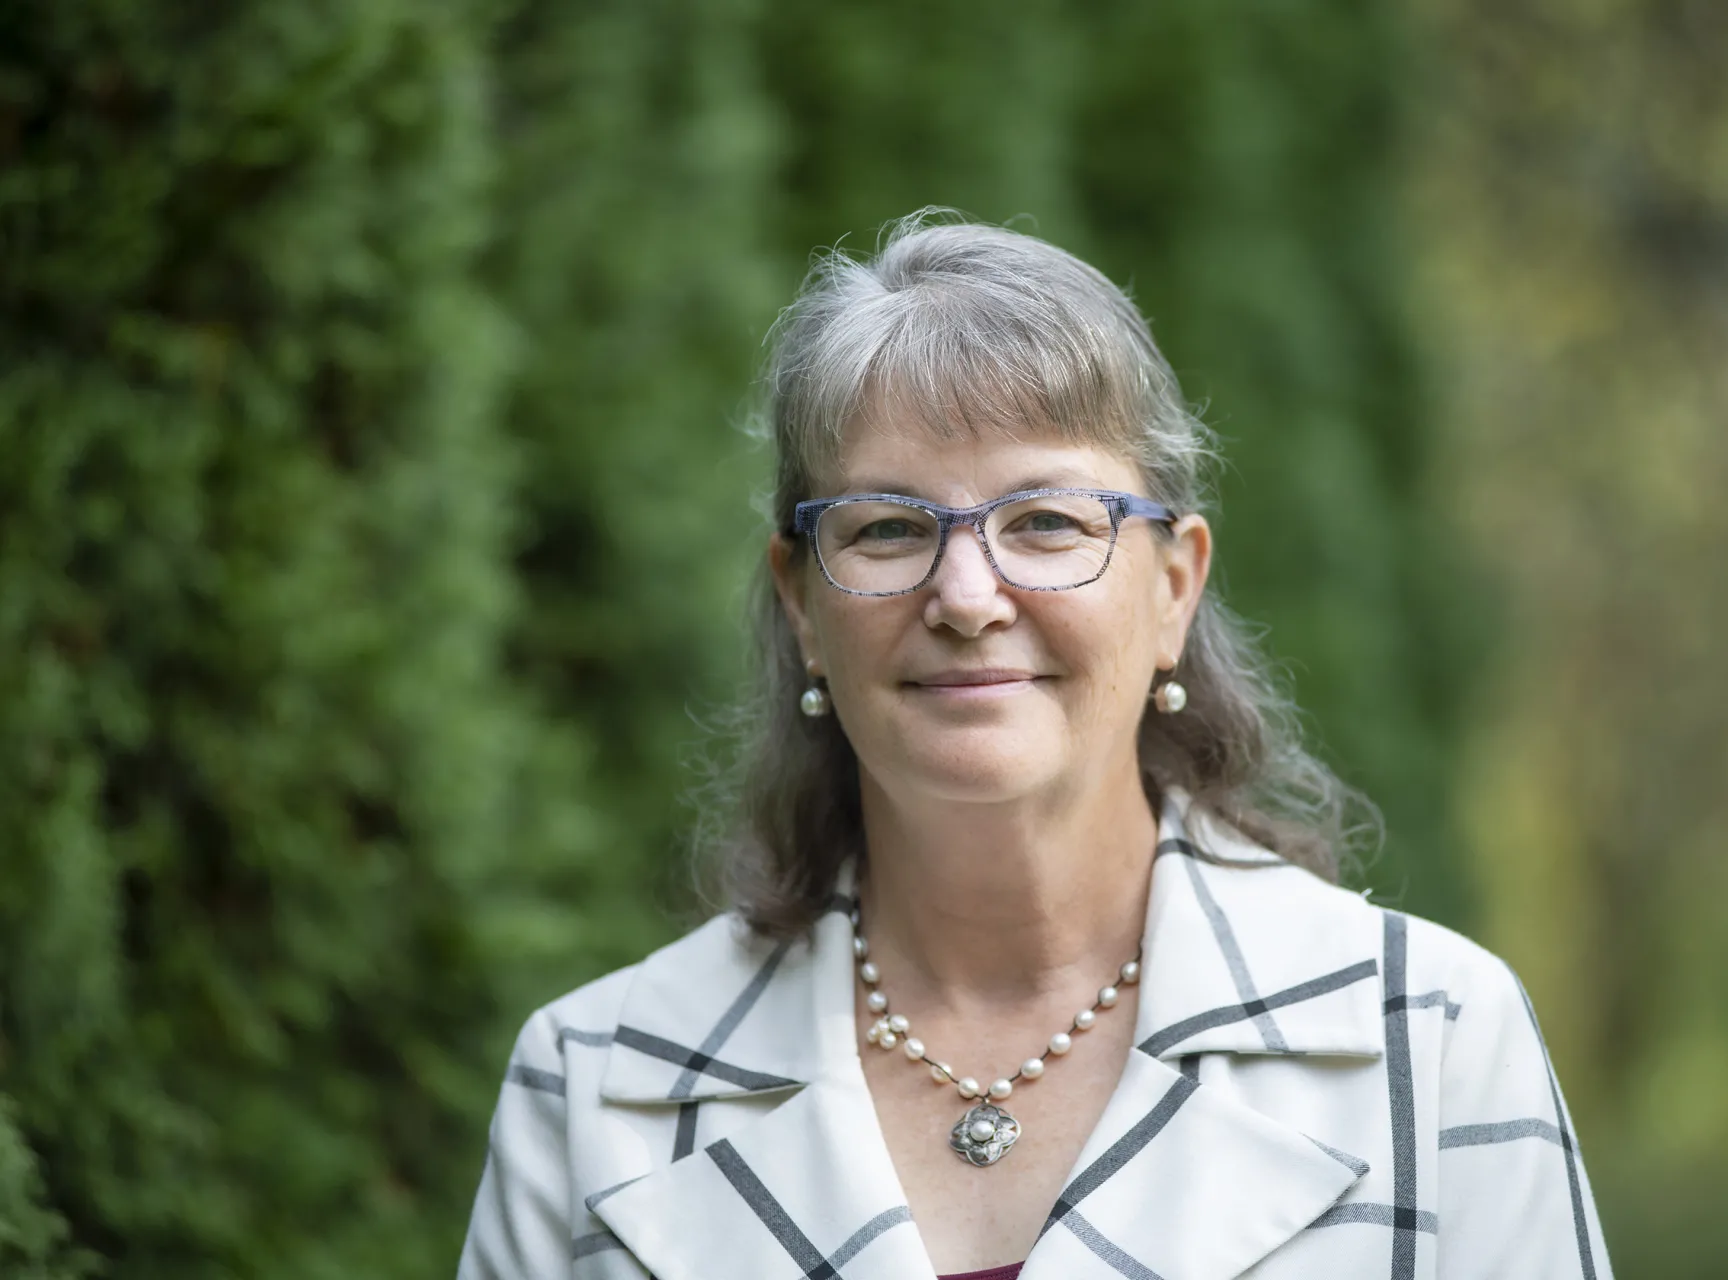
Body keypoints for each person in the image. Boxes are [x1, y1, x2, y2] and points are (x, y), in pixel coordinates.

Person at [458, 211, 1612, 1279]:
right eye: (891, 526)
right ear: (803, 604)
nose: (967, 595)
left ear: (1173, 587)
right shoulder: (594, 1083)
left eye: (1048, 521)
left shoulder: (1431, 1038)